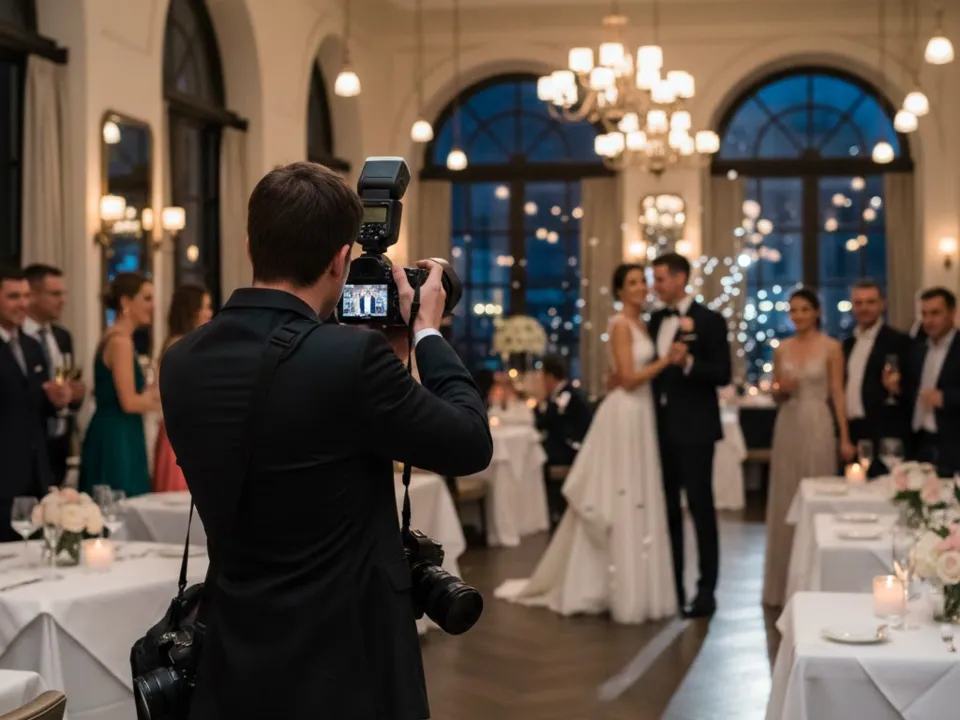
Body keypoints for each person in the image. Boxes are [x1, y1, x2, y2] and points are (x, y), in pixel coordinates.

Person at [159, 161, 492, 720]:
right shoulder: (349, 360)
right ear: (340, 259)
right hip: (345, 661)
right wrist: (427, 332)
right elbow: (469, 442)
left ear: (250, 245)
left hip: (234, 651)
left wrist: (378, 360)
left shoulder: (181, 360)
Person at [495, 263, 679, 624]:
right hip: (626, 413)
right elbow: (627, 378)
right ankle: (615, 586)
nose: (641, 287)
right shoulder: (620, 324)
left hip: (641, 413)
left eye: (642, 281)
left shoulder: (644, 324)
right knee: (621, 492)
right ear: (620, 291)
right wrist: (666, 362)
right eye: (632, 283)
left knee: (639, 494)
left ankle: (638, 585)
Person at [648, 252, 731, 619]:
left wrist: (689, 363)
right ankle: (674, 587)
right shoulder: (654, 320)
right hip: (659, 430)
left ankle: (706, 590)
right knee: (667, 511)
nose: (655, 286)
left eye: (660, 279)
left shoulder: (710, 320)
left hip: (696, 430)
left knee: (700, 510)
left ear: (681, 278)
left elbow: (723, 373)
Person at [763, 288, 853, 608]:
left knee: (818, 493)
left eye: (804, 309)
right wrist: (779, 389)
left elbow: (837, 393)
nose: (798, 315)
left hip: (817, 421)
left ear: (817, 312)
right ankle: (783, 586)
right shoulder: (782, 349)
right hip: (788, 424)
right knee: (785, 497)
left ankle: (818, 582)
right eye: (793, 310)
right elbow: (775, 395)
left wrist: (844, 437)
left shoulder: (831, 347)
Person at [0, 267, 70, 540]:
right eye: (13, 297)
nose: (23, 304)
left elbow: (34, 407)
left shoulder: (31, 346)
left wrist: (56, 401)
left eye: (26, 296)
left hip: (36, 476)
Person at [79, 273, 160, 497]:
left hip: (115, 430)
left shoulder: (113, 337)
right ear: (126, 302)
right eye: (147, 298)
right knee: (120, 502)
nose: (153, 306)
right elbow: (129, 402)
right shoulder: (121, 342)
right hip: (118, 437)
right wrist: (164, 400)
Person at [22, 264, 86, 484]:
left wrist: (75, 395)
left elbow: (69, 380)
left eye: (63, 294)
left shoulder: (62, 336)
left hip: (59, 445)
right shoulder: (16, 339)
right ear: (33, 295)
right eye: (55, 294)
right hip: (26, 445)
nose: (62, 300)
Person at [886, 287, 960, 476]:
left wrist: (946, 398)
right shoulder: (918, 348)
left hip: (953, 442)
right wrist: (897, 387)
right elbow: (913, 390)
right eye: (924, 314)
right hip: (920, 442)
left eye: (935, 313)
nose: (928, 320)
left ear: (952, 313)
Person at [842, 280, 911, 478]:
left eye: (870, 302)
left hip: (884, 431)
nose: (864, 308)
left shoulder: (898, 341)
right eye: (858, 303)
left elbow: (912, 386)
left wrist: (897, 387)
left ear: (882, 304)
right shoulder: (847, 344)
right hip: (853, 432)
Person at [153, 285, 213, 492]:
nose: (210, 313)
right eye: (205, 307)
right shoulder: (181, 345)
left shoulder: (183, 342)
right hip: (183, 433)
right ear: (191, 310)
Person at [533, 353, 594, 529]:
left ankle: (552, 509)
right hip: (565, 444)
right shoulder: (561, 394)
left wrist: (540, 402)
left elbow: (548, 421)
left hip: (571, 448)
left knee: (538, 460)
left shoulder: (566, 395)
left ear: (549, 376)